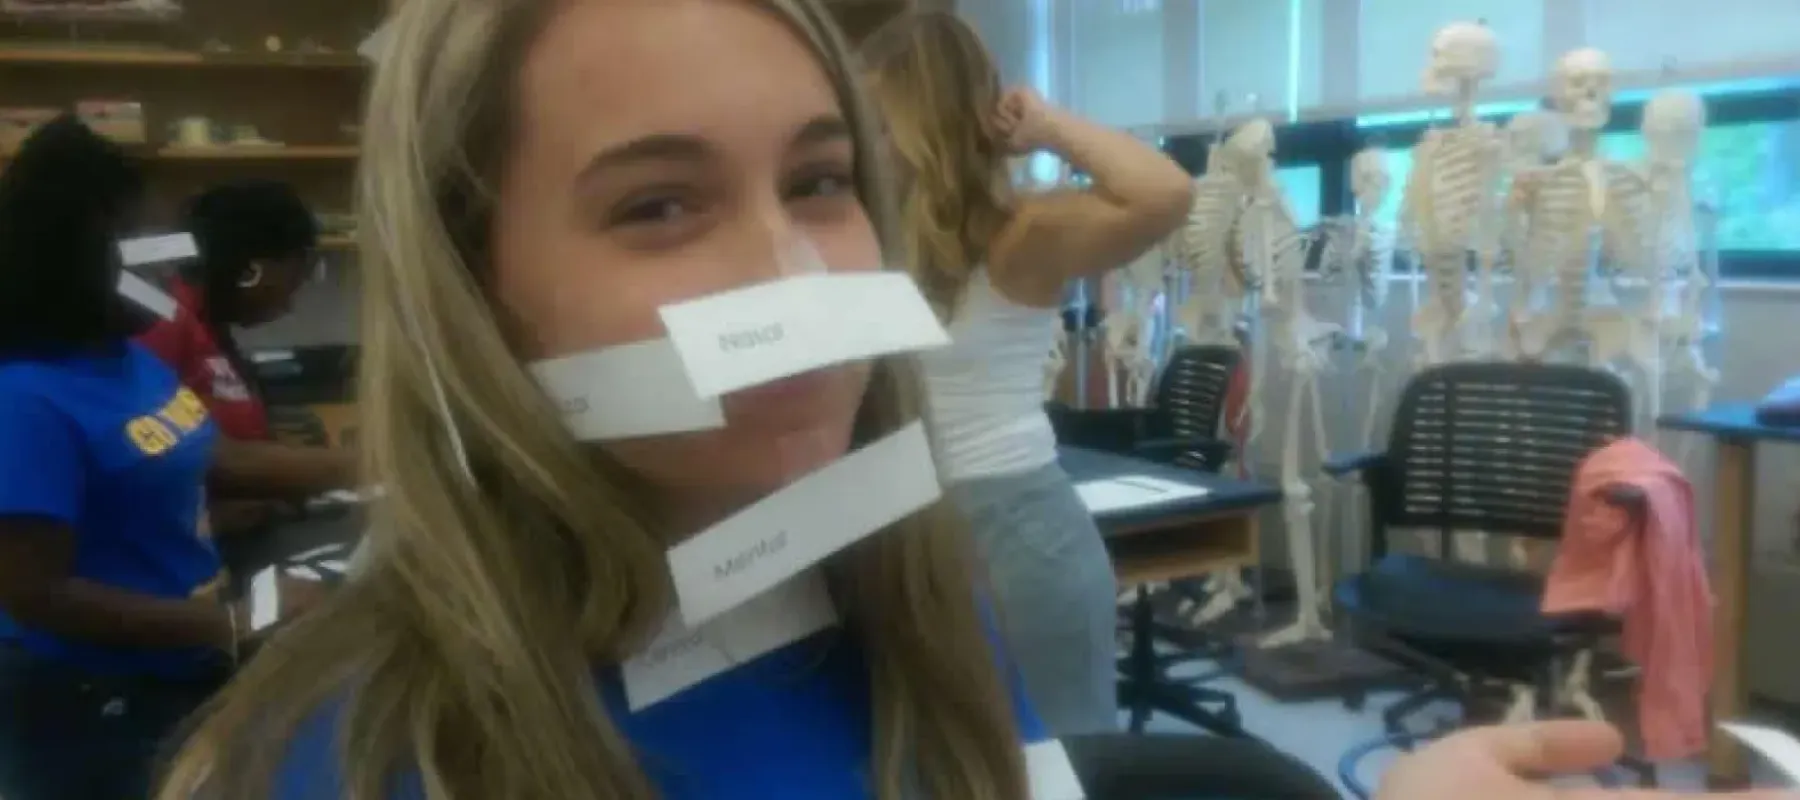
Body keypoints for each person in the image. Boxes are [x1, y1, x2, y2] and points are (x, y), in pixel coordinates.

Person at [144, 1, 1797, 799]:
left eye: (820, 180)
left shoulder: (902, 596)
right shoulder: (362, 761)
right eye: (657, 203)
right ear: (471, 280)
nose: (798, 280)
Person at [860, 11, 1193, 735]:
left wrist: (1045, 126)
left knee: (1056, 761)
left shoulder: (1023, 233)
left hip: (1014, 527)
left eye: (881, 125)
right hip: (908, 528)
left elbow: (1165, 193)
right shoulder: (872, 240)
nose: (866, 146)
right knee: (938, 760)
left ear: (929, 129)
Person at [0, 116, 310, 800]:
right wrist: (238, 623)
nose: (171, 276)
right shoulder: (23, 398)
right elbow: (36, 594)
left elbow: (205, 454)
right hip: (88, 705)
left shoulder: (127, 360)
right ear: (79, 259)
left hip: (177, 669)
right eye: (148, 255)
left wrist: (374, 464)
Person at [137, 179, 358, 541]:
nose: (290, 302)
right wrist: (362, 465)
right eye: (296, 275)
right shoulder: (162, 322)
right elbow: (201, 456)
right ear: (254, 269)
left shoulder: (210, 324)